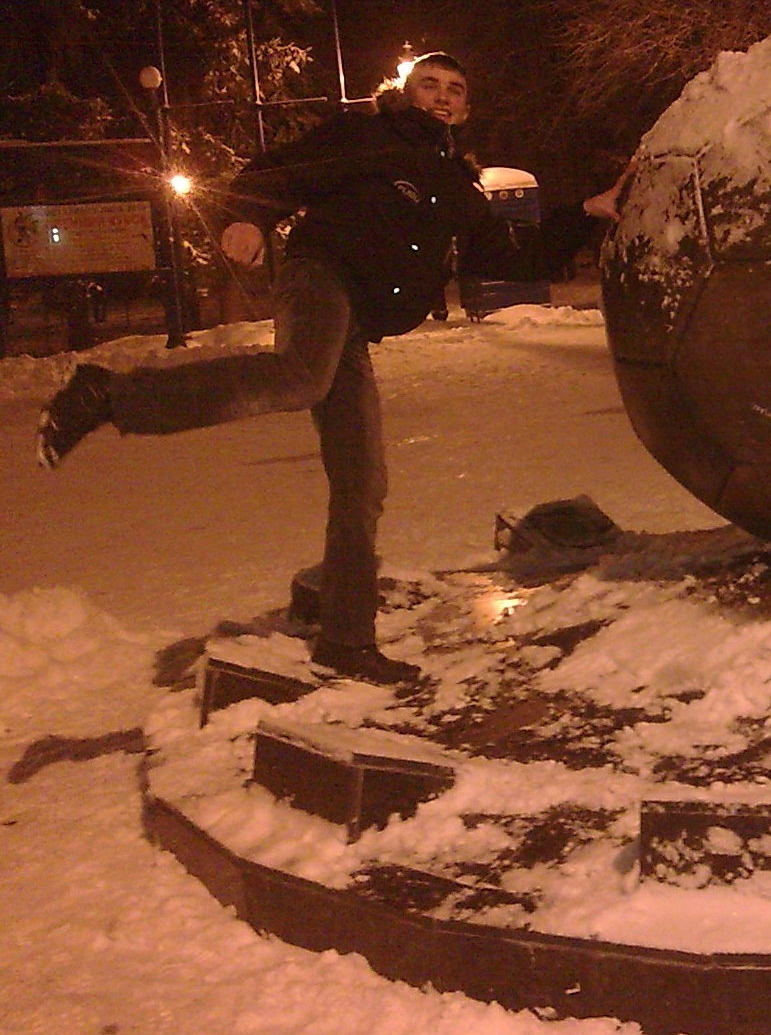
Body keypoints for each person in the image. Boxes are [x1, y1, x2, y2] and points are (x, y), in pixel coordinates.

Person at [36, 52, 629, 685]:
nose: (441, 95)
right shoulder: (367, 135)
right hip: (321, 276)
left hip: (355, 324)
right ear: (406, 93)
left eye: (454, 89)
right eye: (429, 84)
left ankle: (346, 640)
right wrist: (249, 217)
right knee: (300, 374)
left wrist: (586, 212)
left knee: (361, 481)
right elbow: (283, 170)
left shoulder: (456, 184)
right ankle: (109, 395)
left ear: (465, 108)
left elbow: (512, 254)